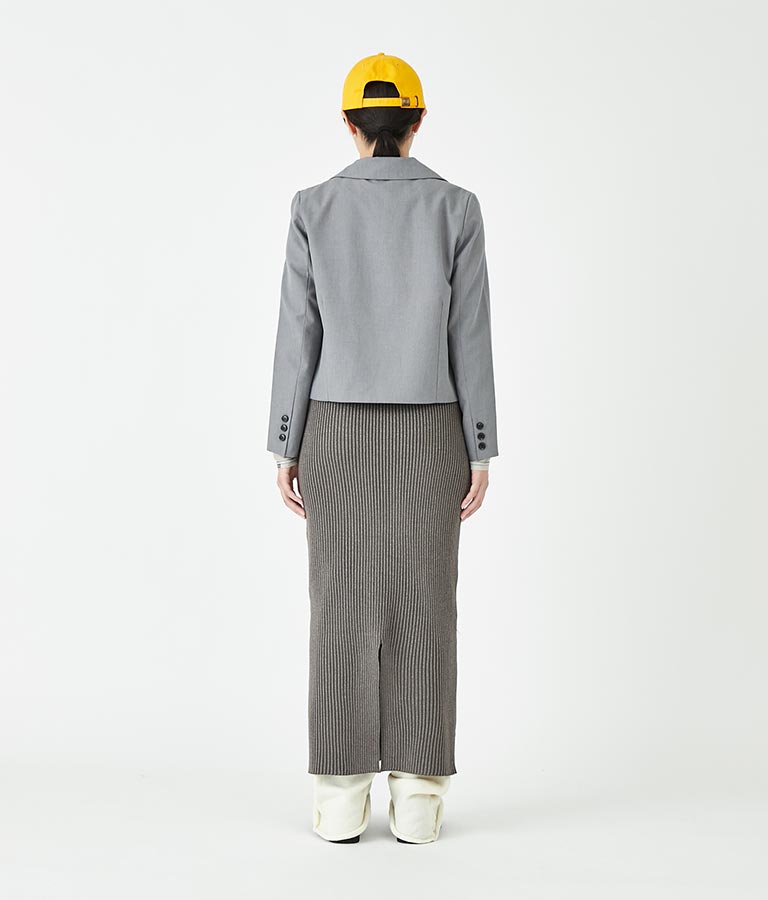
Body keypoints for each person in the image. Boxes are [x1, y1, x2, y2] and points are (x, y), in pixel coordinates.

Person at [266, 52, 499, 844]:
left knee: (339, 608)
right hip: (434, 428)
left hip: (333, 429)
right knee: (426, 609)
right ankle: (419, 800)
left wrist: (285, 443)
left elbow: (299, 334)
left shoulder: (313, 207)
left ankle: (339, 799)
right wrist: (479, 447)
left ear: (349, 123)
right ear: (418, 120)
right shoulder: (456, 207)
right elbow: (470, 335)